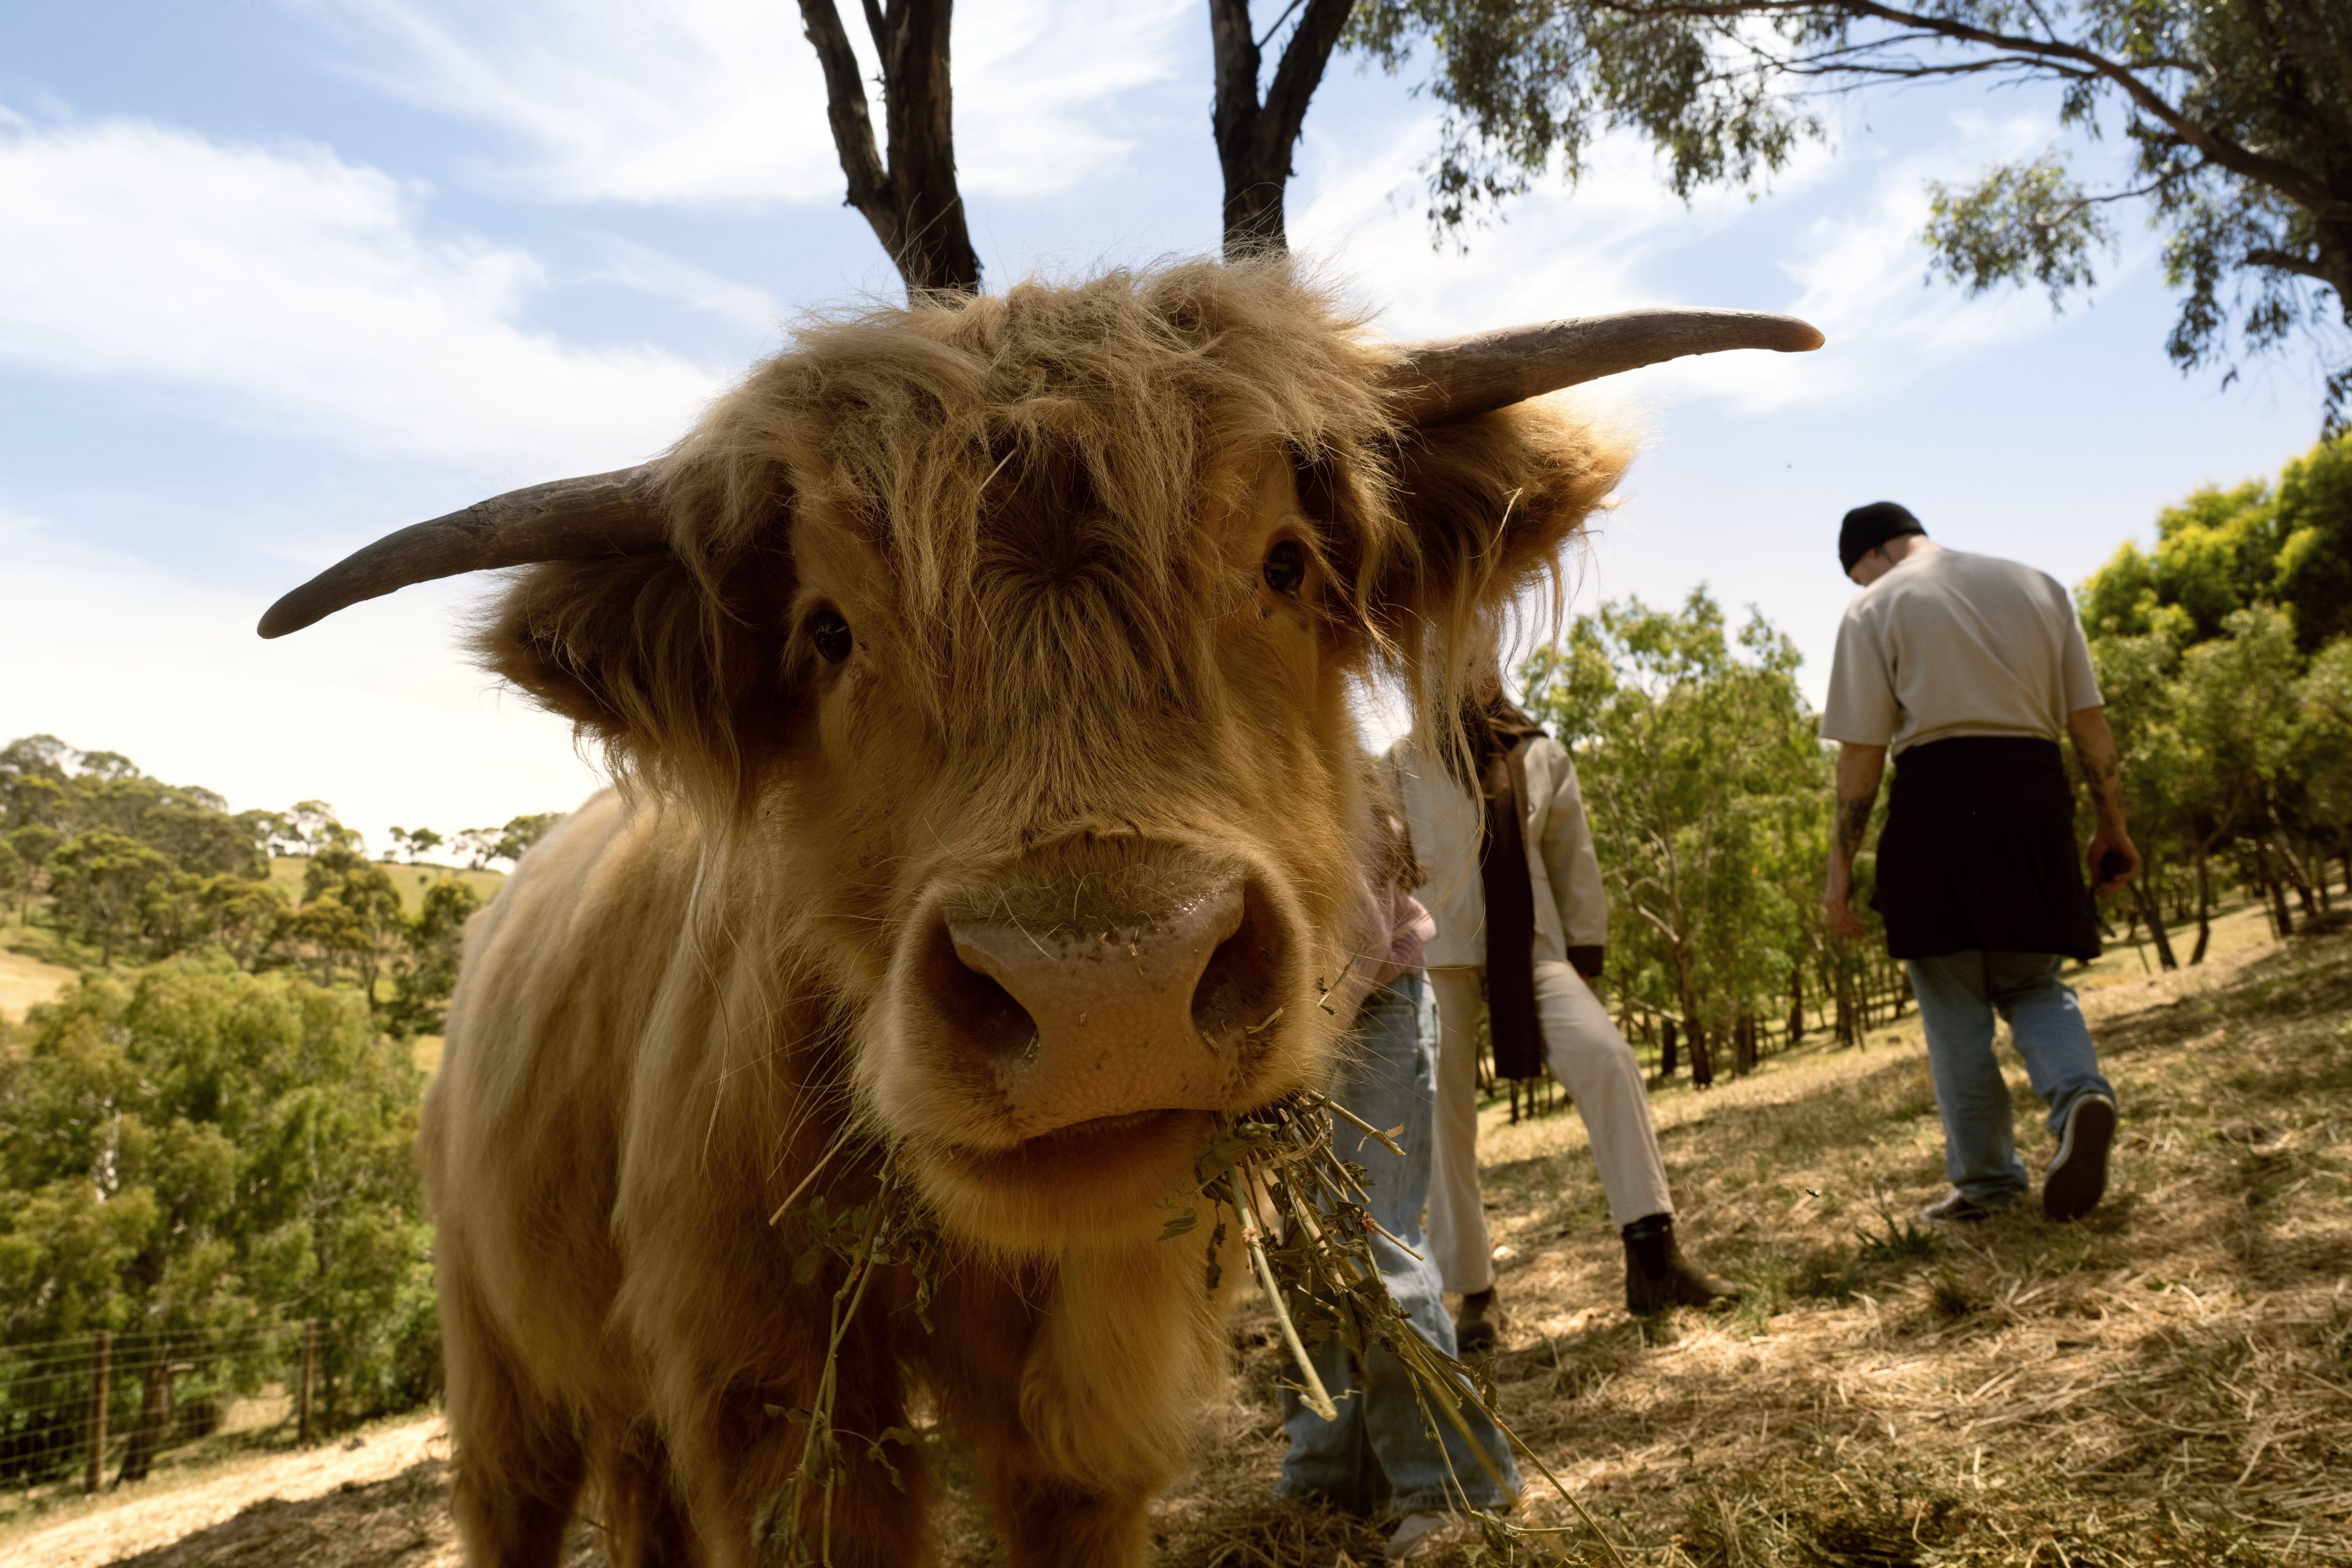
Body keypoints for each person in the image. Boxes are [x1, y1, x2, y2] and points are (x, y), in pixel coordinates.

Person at [1386, 649, 1734, 1349]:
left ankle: (1653, 1254)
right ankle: (1474, 1292)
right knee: (1445, 1120)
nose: (1461, 671)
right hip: (1435, 954)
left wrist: (1585, 957)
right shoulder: (1395, 765)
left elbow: (1575, 863)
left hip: (1534, 951)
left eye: (1477, 656)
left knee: (1608, 1057)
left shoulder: (1539, 754)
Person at [1820, 502, 2134, 1224]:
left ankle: (1989, 1184)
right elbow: (2089, 723)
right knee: (2032, 981)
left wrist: (1842, 864)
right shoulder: (2040, 585)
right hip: (2036, 796)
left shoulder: (1874, 607)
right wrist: (2111, 825)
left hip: (1938, 803)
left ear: (1867, 557)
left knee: (1955, 1006)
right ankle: (2080, 1094)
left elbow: (1863, 757)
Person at [1276, 816, 1519, 1562]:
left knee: (1367, 1237)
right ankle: (1330, 1479)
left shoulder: (1298, 744)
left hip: (1369, 997)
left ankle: (1450, 1484)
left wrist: (1293, 1052)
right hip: (1287, 1022)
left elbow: (1355, 931)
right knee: (1301, 1257)